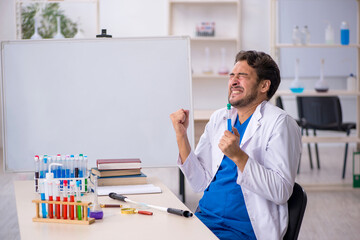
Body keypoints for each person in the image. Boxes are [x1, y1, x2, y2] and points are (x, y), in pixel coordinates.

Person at [170, 50, 302, 240]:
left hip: (243, 231)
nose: (233, 81)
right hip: (204, 220)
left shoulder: (281, 123)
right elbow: (198, 181)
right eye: (232, 75)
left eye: (242, 76)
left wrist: (238, 156)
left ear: (264, 85)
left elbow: (280, 191)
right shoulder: (220, 117)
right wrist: (181, 135)